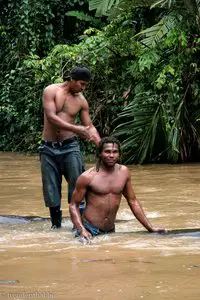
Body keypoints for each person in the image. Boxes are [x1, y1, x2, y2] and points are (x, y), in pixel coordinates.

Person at [69, 136, 166, 243]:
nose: (111, 155)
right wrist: (82, 230)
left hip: (110, 230)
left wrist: (150, 228)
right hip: (89, 229)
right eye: (107, 152)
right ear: (100, 153)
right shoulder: (87, 177)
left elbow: (132, 201)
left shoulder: (124, 172)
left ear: (119, 154)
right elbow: (74, 205)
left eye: (115, 152)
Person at [38, 66, 100, 229]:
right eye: (82, 84)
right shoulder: (51, 91)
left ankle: (77, 226)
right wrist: (76, 129)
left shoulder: (81, 100)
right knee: (51, 187)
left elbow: (89, 126)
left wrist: (101, 145)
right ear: (72, 80)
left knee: (77, 184)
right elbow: (51, 117)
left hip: (70, 146)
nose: (83, 88)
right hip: (48, 148)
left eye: (85, 85)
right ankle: (55, 226)